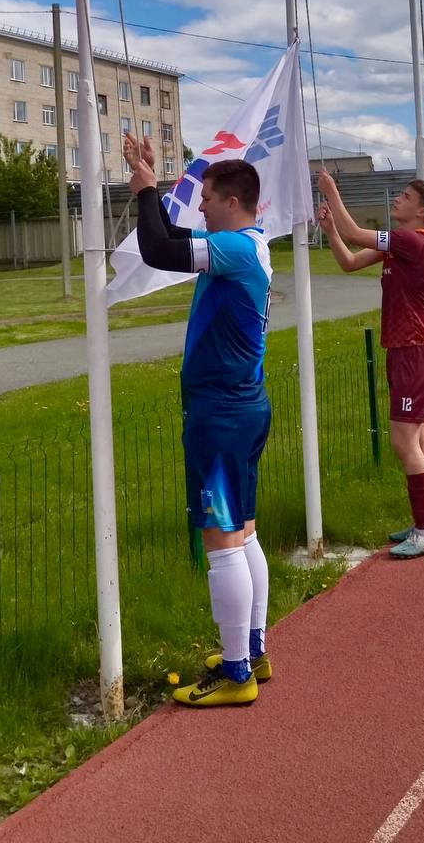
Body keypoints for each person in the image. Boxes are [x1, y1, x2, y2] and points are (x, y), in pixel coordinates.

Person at [123, 133, 273, 707]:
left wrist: (146, 191)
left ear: (232, 201)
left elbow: (160, 251)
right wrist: (149, 186)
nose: (202, 207)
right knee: (246, 531)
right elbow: (168, 238)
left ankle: (237, 673)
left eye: (207, 197)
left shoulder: (234, 248)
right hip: (241, 407)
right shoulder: (246, 246)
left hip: (221, 413)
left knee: (222, 541)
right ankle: (253, 649)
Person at [317, 169, 424, 558]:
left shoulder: (411, 241)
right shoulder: (401, 245)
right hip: (408, 350)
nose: (398, 200)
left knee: (402, 441)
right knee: (419, 440)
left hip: (414, 351)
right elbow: (351, 261)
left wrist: (332, 191)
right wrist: (330, 233)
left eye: (405, 197)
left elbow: (357, 233)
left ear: (421, 211)